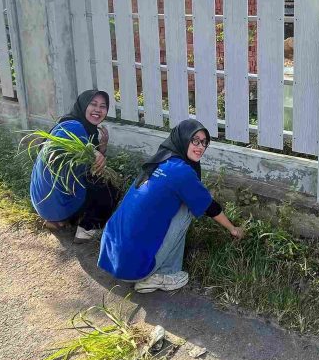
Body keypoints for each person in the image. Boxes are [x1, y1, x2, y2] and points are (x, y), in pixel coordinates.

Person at [98, 119, 245, 293]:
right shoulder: (181, 171)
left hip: (109, 256)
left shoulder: (160, 161)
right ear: (183, 138)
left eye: (204, 142)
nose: (201, 147)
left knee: (179, 200)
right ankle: (163, 275)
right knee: (189, 205)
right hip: (133, 268)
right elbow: (208, 206)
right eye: (195, 140)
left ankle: (151, 265)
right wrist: (233, 229)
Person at [30, 89, 117, 243]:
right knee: (110, 188)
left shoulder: (73, 125)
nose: (98, 109)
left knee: (92, 176)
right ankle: (86, 229)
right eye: (93, 104)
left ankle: (60, 221)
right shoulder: (73, 126)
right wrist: (92, 150)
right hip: (56, 202)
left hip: (42, 203)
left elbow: (88, 163)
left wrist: (102, 147)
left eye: (103, 106)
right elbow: (62, 148)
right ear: (83, 105)